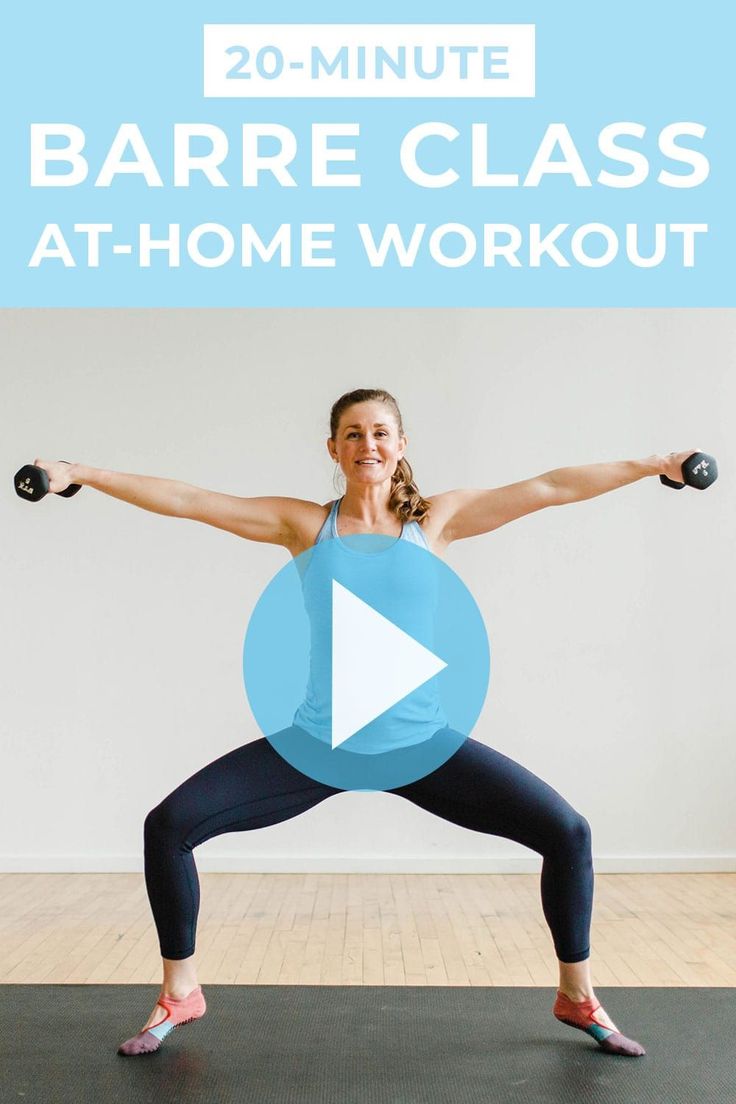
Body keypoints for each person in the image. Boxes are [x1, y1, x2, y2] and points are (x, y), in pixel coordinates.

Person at [34, 387, 693, 1060]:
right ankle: (181, 992)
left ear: (401, 445)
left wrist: (651, 464)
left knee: (567, 831)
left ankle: (576, 996)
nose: (367, 445)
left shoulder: (436, 522)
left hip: (420, 747)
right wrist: (82, 473)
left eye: (380, 433)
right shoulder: (304, 526)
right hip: (323, 746)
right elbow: (191, 501)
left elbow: (551, 486)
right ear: (333, 450)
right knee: (168, 826)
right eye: (352, 434)